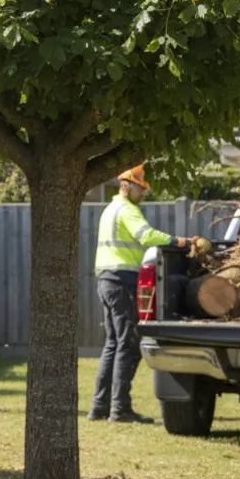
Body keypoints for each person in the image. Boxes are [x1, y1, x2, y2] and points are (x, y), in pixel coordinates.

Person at [91, 166, 197, 424]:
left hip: (107, 280)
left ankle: (100, 406)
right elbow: (146, 236)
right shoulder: (127, 210)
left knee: (113, 343)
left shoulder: (110, 209)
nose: (144, 194)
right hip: (122, 281)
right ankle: (120, 409)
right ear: (125, 186)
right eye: (141, 188)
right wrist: (180, 242)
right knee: (128, 343)